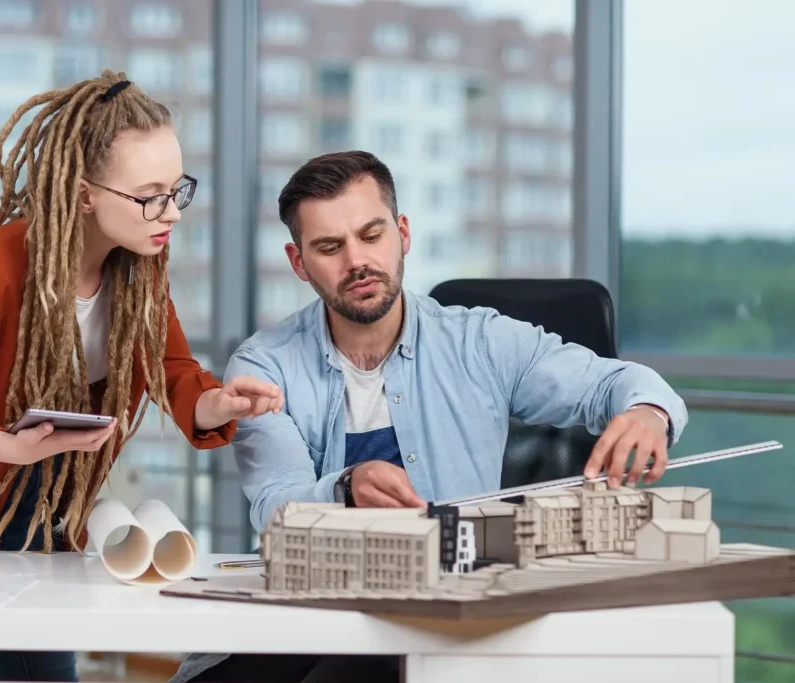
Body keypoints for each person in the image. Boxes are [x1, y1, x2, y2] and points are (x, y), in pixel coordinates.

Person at [172, 150, 687, 683]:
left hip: (437, 618)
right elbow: (277, 508)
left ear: (403, 234)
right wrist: (346, 488)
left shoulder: (481, 341)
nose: (357, 263)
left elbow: (616, 383)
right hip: (307, 609)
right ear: (298, 262)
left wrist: (647, 413)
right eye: (329, 247)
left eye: (371, 236)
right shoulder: (263, 366)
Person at [0, 71, 281, 682]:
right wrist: (6, 446)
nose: (172, 214)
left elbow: (176, 371)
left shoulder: (141, 274)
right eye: (149, 195)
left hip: (37, 516)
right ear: (82, 194)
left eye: (177, 190)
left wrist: (218, 403)